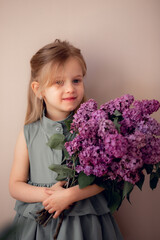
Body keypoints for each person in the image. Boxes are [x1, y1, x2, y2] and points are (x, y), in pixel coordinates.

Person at [9, 39, 123, 240]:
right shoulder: (29, 133)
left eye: (76, 80)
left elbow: (110, 177)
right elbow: (15, 185)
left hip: (86, 223)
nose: (70, 88)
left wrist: (70, 195)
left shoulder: (94, 127)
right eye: (58, 82)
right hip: (38, 226)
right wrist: (50, 196)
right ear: (38, 90)